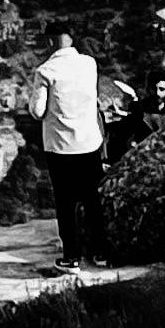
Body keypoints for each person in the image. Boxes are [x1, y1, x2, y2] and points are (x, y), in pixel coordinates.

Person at [29, 23, 107, 270]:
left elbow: (37, 110)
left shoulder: (45, 71)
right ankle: (100, 252)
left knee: (65, 202)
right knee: (93, 199)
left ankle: (71, 255)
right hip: (89, 142)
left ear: (50, 42)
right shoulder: (89, 64)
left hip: (61, 147)